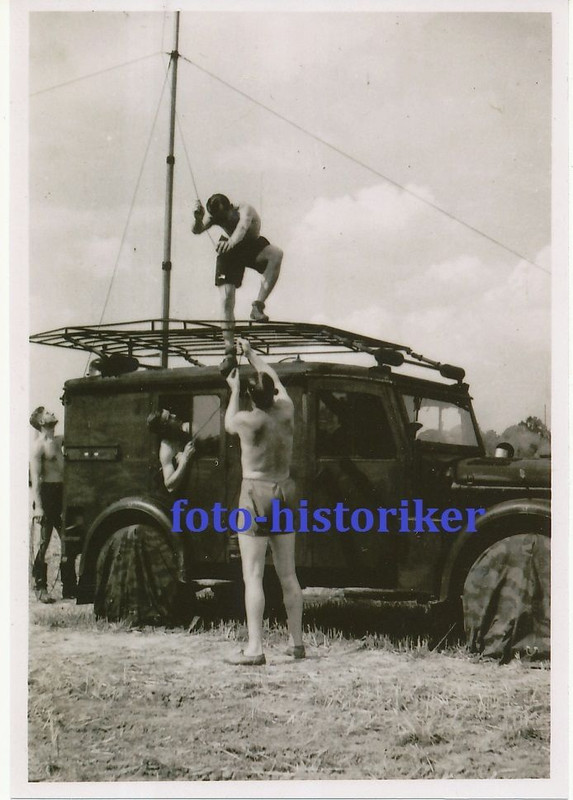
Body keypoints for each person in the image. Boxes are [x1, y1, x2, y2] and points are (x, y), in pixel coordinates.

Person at [224, 337, 304, 665]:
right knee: (288, 574)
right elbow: (277, 380)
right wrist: (253, 355)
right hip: (284, 489)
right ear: (271, 393)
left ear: (250, 398)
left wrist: (232, 390)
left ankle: (255, 649)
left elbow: (228, 423)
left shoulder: (247, 421)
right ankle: (296, 643)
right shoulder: (286, 410)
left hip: (255, 492)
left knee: (253, 574)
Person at [192, 194, 283, 374]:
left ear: (231, 208)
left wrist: (232, 242)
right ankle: (229, 352)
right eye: (218, 220)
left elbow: (242, 228)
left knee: (276, 253)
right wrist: (197, 219)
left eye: (224, 218)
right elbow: (197, 230)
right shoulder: (215, 215)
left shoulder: (244, 209)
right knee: (226, 298)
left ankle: (257, 306)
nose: (221, 221)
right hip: (230, 249)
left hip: (248, 245)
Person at [30, 407, 76, 602]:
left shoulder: (59, 440)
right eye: (47, 412)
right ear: (41, 422)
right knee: (43, 542)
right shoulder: (38, 446)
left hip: (62, 493)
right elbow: (36, 478)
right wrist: (39, 507)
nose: (53, 413)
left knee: (69, 540)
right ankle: (40, 587)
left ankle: (70, 588)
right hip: (47, 495)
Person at [146, 409, 196, 493]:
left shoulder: (186, 428)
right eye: (169, 417)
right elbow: (169, 485)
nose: (174, 416)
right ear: (164, 428)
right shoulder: (166, 448)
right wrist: (184, 459)